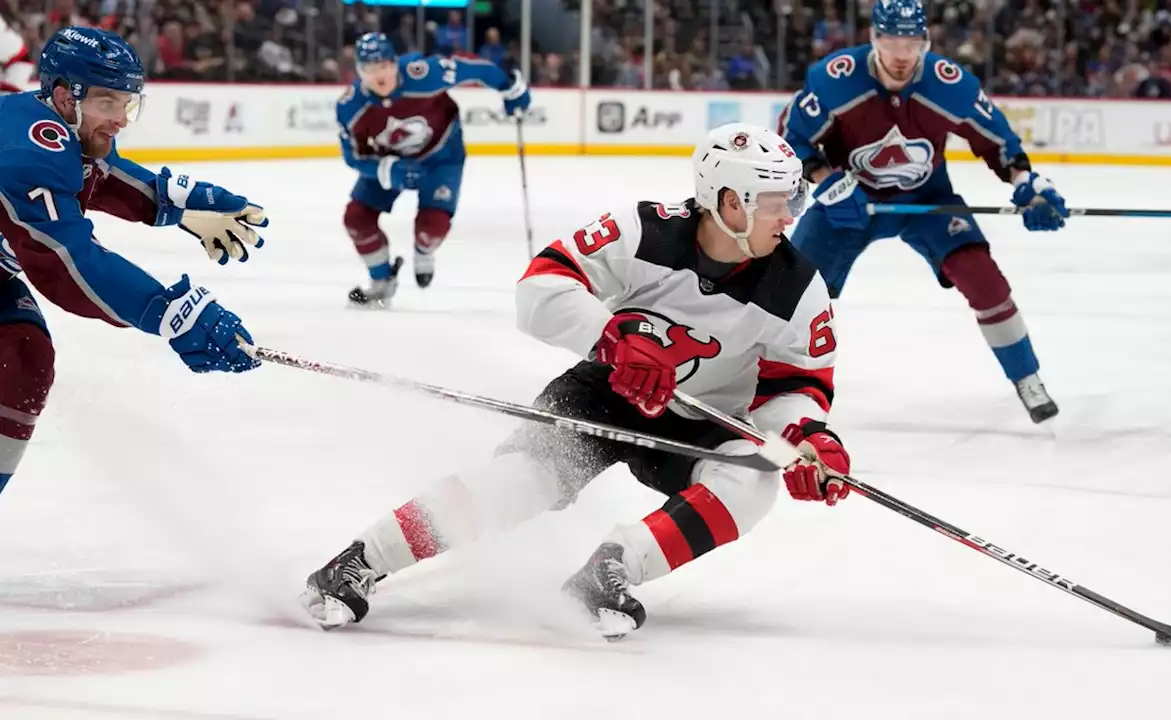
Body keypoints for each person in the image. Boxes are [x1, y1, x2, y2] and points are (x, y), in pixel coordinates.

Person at [302, 123, 852, 639]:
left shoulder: (798, 288)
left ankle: (609, 571)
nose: (791, 217)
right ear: (731, 202)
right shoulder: (643, 229)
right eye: (779, 203)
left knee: (751, 484)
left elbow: (794, 387)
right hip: (605, 392)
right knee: (521, 482)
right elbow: (538, 289)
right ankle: (361, 560)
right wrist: (610, 337)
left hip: (703, 419)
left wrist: (805, 438)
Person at [0, 27, 267, 494]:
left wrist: (185, 206)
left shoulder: (57, 128)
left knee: (24, 355)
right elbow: (66, 263)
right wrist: (167, 312)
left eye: (127, 102)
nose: (121, 118)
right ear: (65, 97)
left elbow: (105, 176)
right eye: (108, 102)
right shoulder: (27, 152)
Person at [779, 0, 1068, 423]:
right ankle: (763, 382)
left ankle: (1027, 377)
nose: (901, 54)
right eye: (890, 40)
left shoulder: (949, 84)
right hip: (850, 201)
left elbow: (997, 141)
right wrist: (827, 181)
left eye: (911, 41)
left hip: (925, 199)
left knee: (984, 279)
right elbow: (792, 139)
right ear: (873, 39)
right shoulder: (835, 79)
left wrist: (1026, 182)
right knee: (791, 289)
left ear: (926, 42)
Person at [337, 32, 531, 307]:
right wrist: (387, 170)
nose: (378, 75)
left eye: (383, 66)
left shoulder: (422, 74)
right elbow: (353, 156)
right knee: (356, 218)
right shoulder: (350, 106)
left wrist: (509, 87)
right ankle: (381, 283)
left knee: (432, 228)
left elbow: (472, 69)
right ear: (359, 72)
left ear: (394, 63)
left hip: (442, 158)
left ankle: (423, 252)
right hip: (392, 161)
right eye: (369, 69)